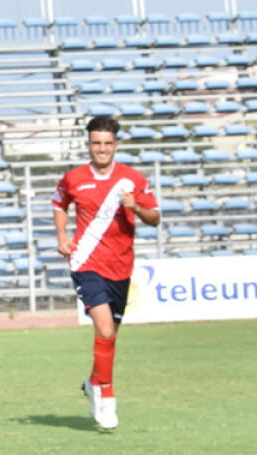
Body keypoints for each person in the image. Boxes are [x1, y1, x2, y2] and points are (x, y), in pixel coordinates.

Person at [52, 116, 160, 430]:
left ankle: (92, 382)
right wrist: (62, 237)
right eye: (96, 143)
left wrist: (136, 207)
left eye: (107, 143)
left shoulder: (132, 179)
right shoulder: (73, 178)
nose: (102, 149)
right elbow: (59, 203)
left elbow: (155, 218)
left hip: (120, 267)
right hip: (86, 262)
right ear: (89, 145)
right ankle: (106, 395)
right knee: (106, 330)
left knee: (108, 337)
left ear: (115, 145)